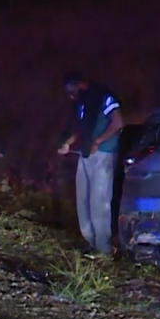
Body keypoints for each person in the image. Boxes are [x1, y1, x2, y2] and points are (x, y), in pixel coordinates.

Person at [57, 71, 124, 254]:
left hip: (103, 153)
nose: (71, 95)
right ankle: (90, 241)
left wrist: (98, 141)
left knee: (99, 200)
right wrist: (68, 143)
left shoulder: (104, 98)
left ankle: (104, 248)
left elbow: (117, 123)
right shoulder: (82, 103)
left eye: (72, 90)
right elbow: (81, 127)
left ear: (80, 85)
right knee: (83, 199)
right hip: (85, 153)